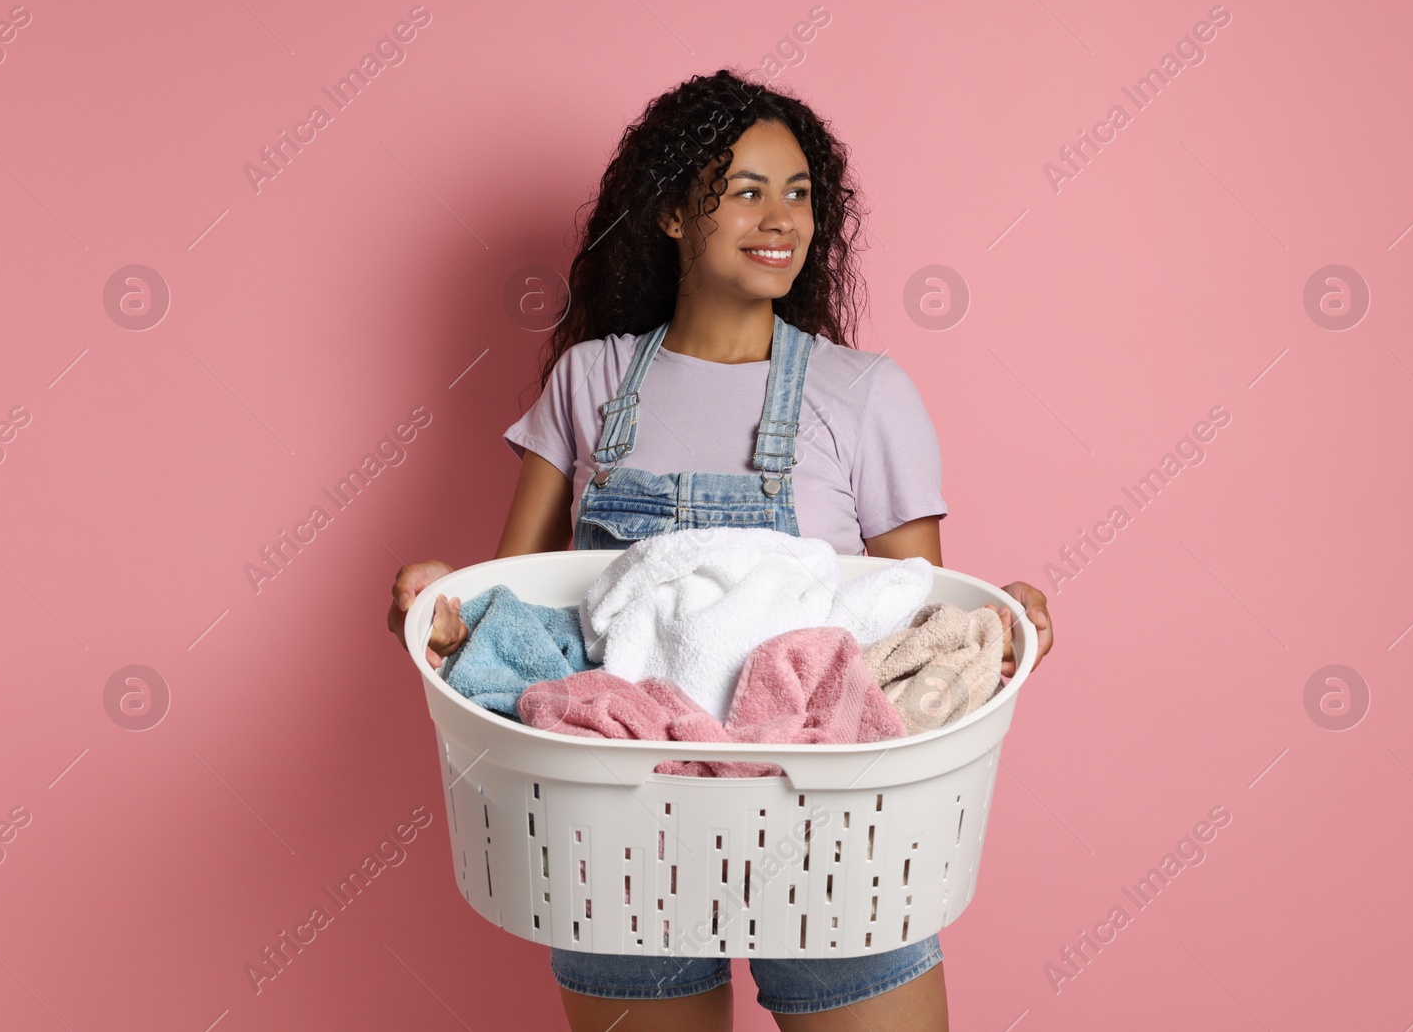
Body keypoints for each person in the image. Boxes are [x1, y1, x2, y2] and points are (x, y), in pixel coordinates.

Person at [387, 68, 1055, 1032]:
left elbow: (913, 618)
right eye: (744, 190)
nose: (779, 216)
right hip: (624, 835)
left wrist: (1002, 626)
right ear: (669, 212)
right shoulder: (592, 381)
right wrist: (436, 610)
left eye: (798, 193)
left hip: (830, 828)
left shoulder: (863, 394)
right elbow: (516, 610)